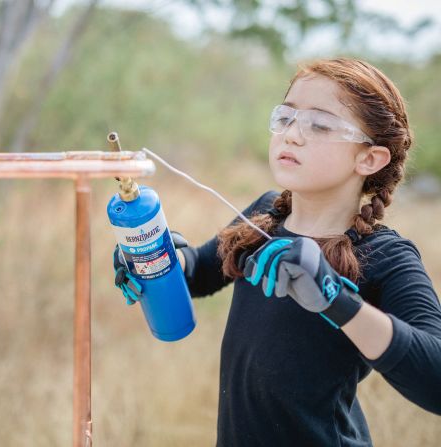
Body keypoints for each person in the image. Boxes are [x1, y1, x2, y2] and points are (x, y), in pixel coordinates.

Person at [113, 58, 441, 446]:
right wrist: (156, 259)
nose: (292, 135)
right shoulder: (266, 215)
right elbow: (199, 272)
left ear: (369, 158)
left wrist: (334, 298)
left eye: (319, 125)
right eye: (285, 118)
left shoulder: (384, 254)